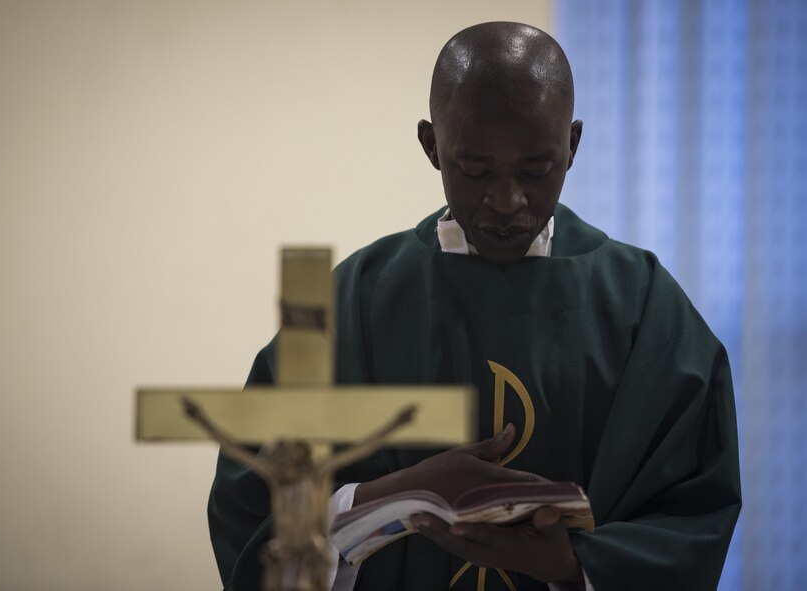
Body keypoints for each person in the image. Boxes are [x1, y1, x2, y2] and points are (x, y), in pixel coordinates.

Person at [208, 21, 741, 591]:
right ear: (431, 145)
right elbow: (253, 507)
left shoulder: (644, 307)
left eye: (538, 170)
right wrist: (395, 497)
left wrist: (569, 564)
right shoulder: (353, 302)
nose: (509, 201)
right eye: (477, 170)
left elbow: (692, 518)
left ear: (573, 145)